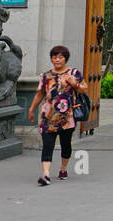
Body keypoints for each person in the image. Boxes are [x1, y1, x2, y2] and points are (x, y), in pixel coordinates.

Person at [27, 45, 89, 186]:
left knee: (65, 144)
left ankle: (63, 168)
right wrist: (31, 109)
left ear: (65, 58)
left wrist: (75, 85)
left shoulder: (74, 73)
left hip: (67, 117)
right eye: (54, 57)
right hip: (48, 117)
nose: (57, 60)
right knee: (47, 145)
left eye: (60, 57)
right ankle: (46, 175)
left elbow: (85, 89)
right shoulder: (46, 76)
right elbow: (40, 94)